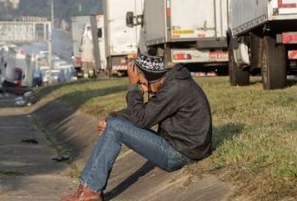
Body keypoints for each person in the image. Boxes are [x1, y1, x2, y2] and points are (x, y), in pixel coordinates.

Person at [60, 53, 212, 201]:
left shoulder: (176, 88)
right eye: (140, 85)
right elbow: (147, 111)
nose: (145, 90)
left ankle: (90, 191)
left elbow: (141, 119)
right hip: (181, 147)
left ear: (154, 77)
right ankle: (87, 188)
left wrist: (132, 87)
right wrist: (112, 117)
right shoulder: (172, 84)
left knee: (116, 127)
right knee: (115, 124)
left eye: (143, 84)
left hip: (181, 154)